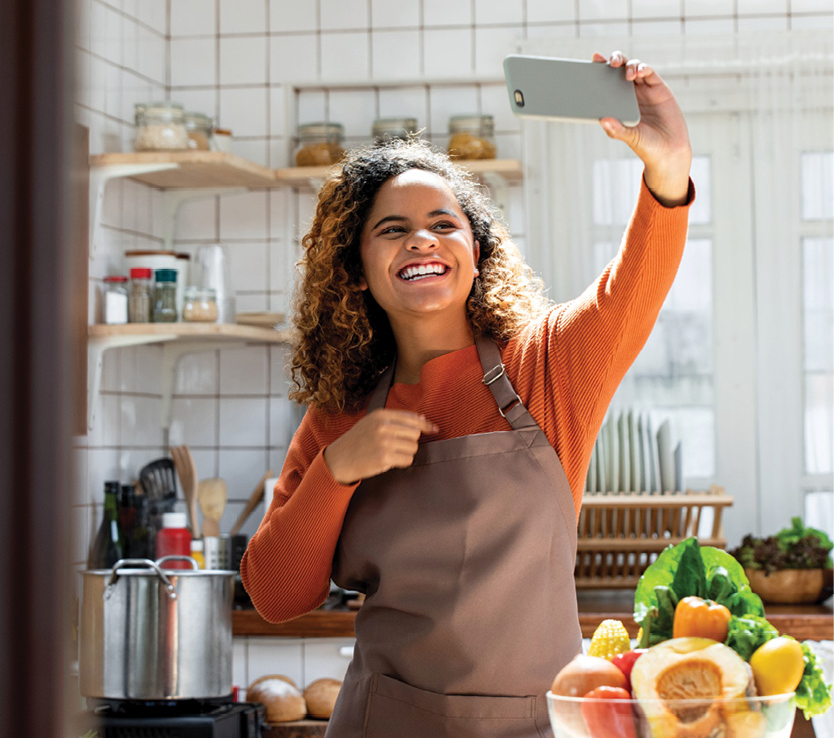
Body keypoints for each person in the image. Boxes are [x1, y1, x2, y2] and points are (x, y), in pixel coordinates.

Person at [241, 50, 693, 738]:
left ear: (475, 253)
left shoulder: (546, 365)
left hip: (536, 727)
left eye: (444, 222)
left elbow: (632, 289)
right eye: (392, 229)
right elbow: (276, 595)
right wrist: (337, 470)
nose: (422, 237)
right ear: (358, 272)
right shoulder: (339, 410)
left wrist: (667, 169)